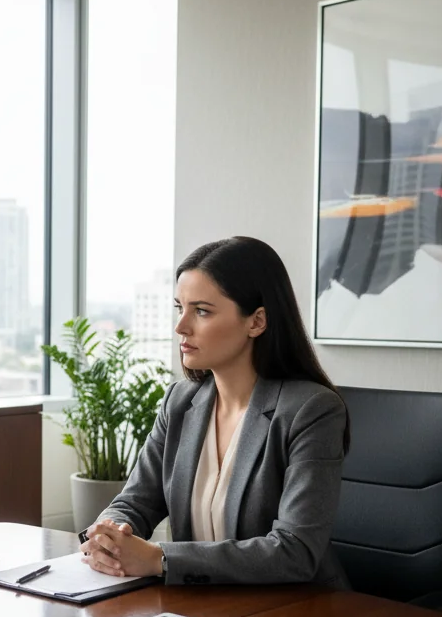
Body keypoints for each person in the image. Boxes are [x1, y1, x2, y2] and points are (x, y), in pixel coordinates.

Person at [82, 236, 350, 589]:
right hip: (200, 611)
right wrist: (110, 532)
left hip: (298, 614)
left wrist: (160, 559)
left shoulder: (311, 411)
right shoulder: (180, 402)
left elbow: (295, 551)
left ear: (256, 322)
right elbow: (135, 502)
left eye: (202, 311)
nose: (181, 326)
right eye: (180, 308)